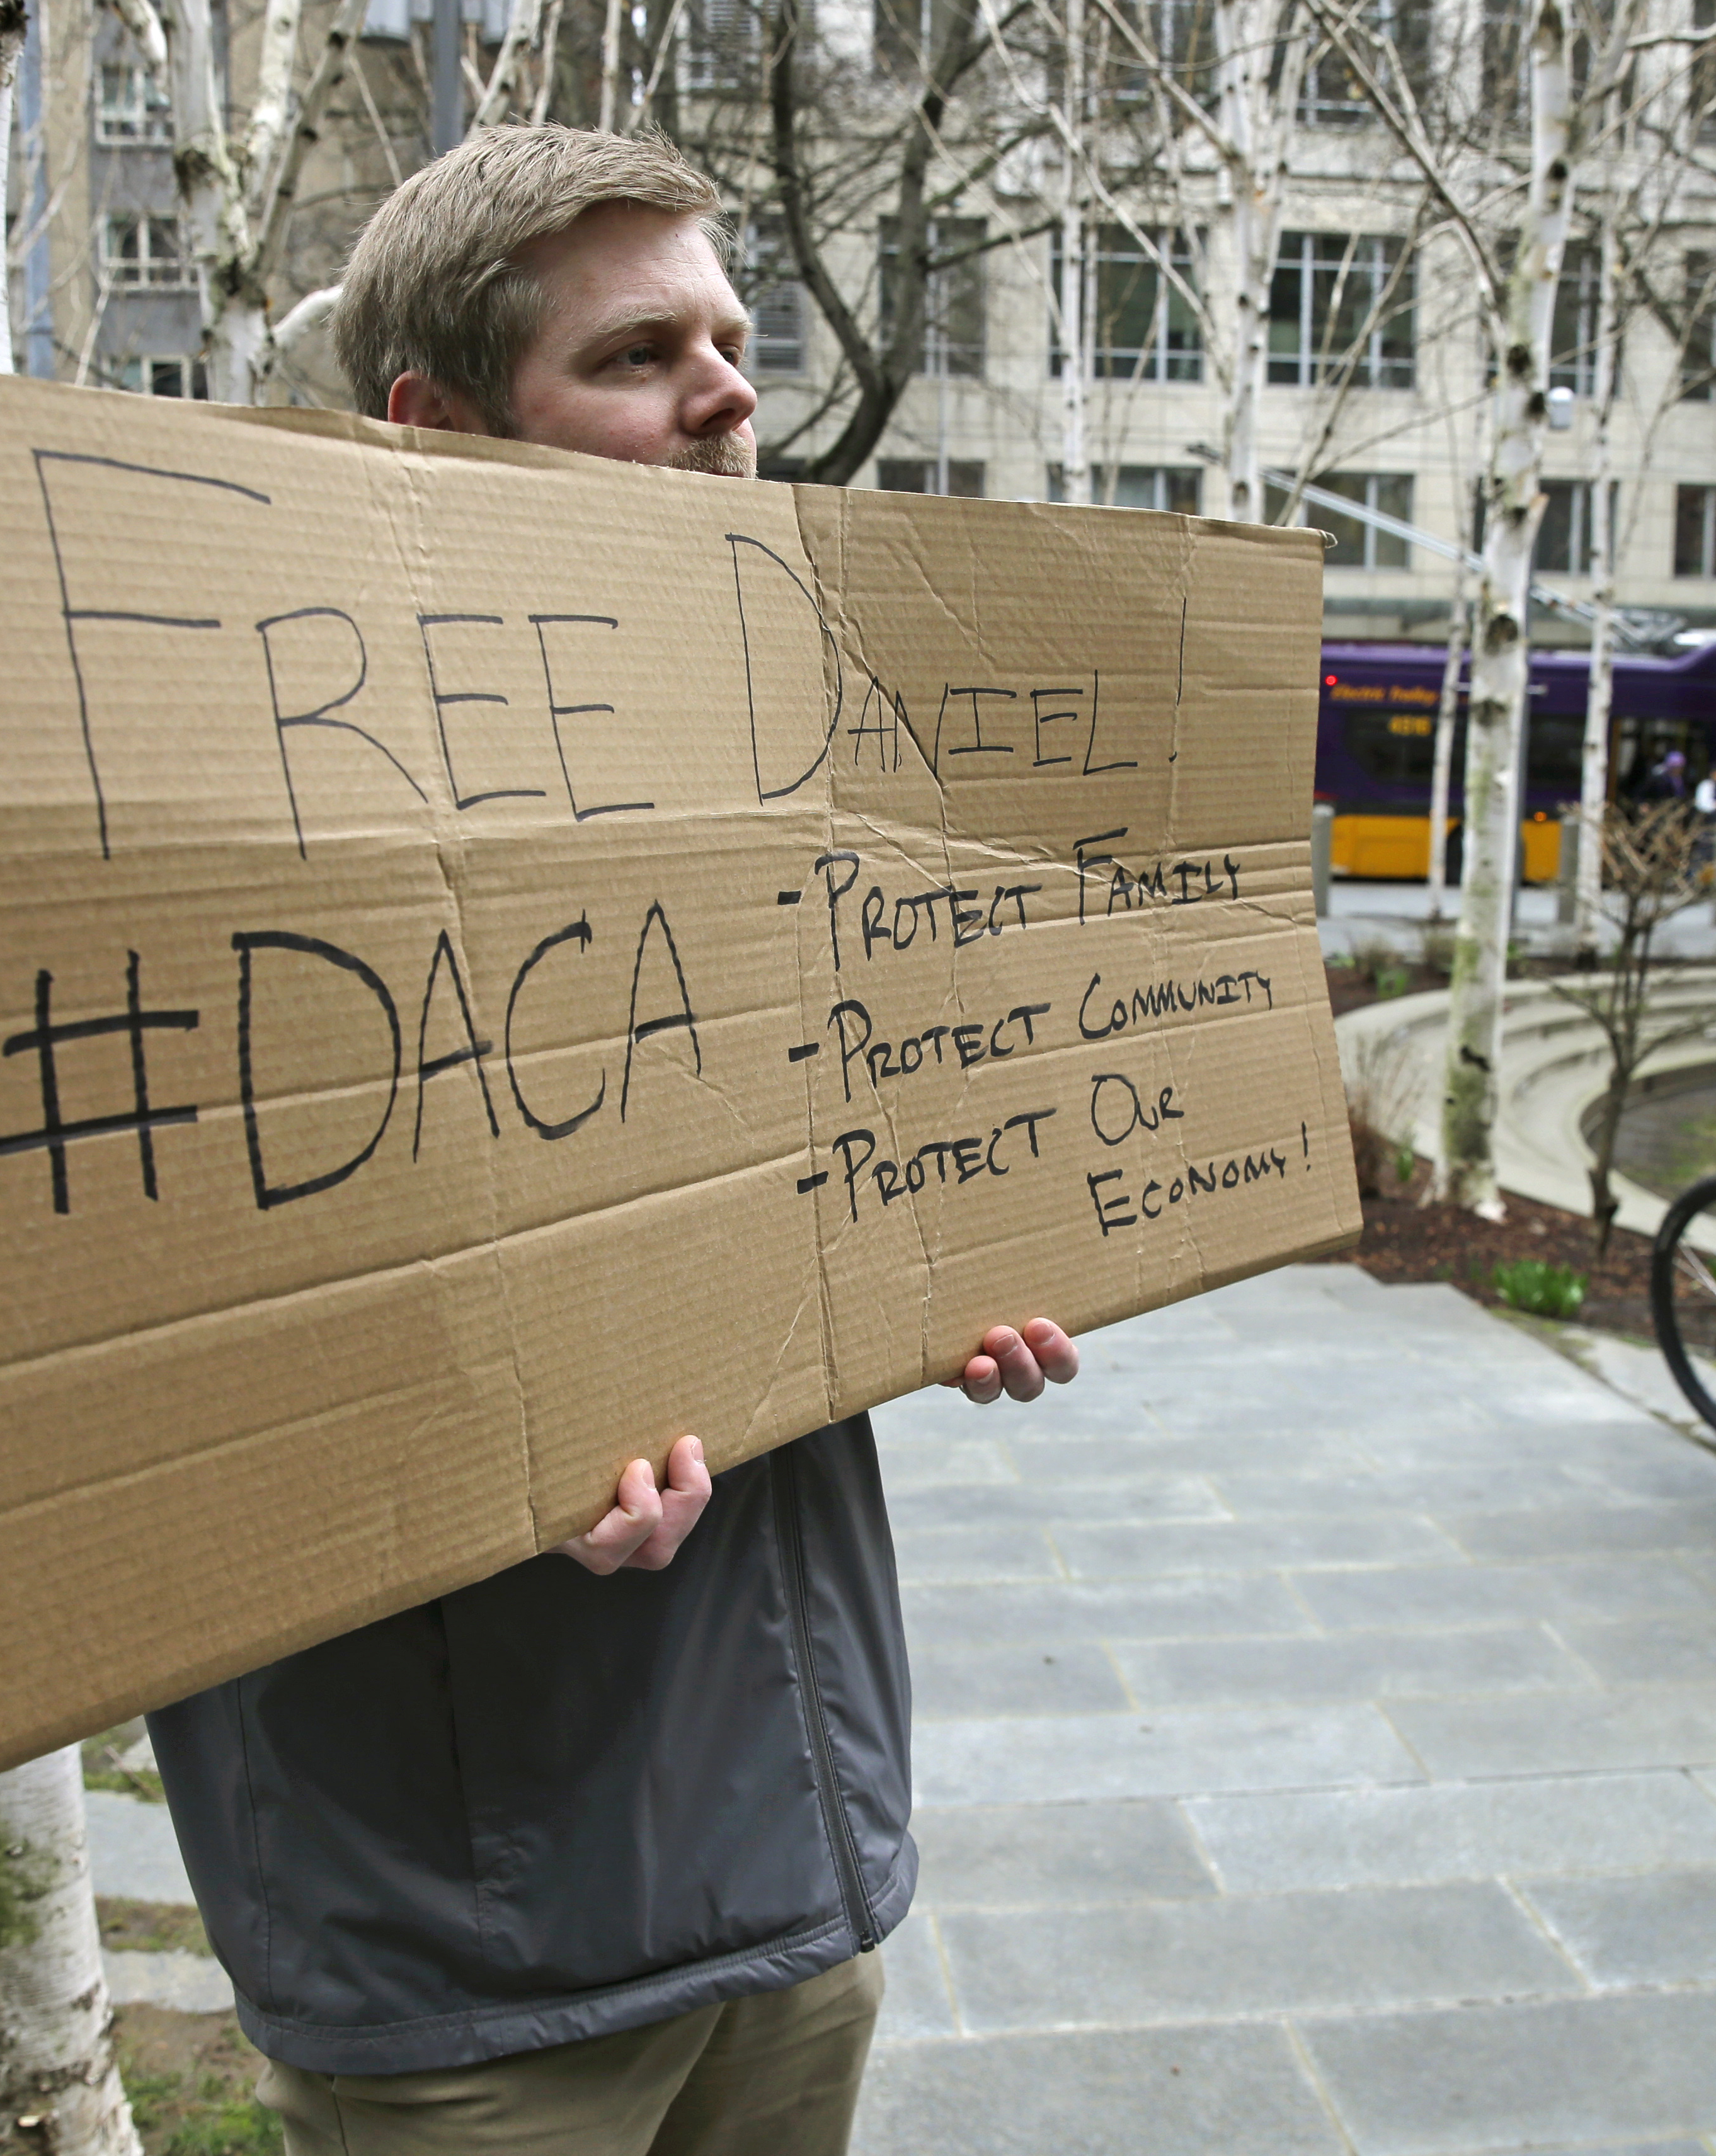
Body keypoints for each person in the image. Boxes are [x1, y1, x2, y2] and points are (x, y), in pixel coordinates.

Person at [143, 127, 1085, 2153]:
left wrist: (938, 1259)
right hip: (477, 1958)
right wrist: (466, 1467)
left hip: (789, 1865)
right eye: (644, 352)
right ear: (438, 423)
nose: (733, 393)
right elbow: (125, 1378)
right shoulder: (216, 817)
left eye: (733, 339)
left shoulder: (778, 759)